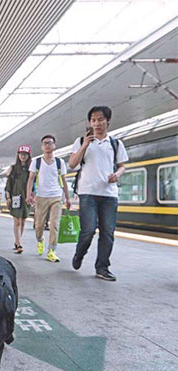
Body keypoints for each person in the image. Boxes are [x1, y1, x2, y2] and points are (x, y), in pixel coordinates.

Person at [69, 106, 128, 281]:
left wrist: (117, 174)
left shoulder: (115, 143)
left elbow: (122, 165)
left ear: (107, 121)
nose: (97, 123)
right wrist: (86, 144)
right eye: (93, 120)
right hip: (87, 192)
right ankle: (79, 254)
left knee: (107, 232)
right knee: (87, 230)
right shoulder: (80, 141)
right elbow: (72, 164)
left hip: (109, 194)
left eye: (100, 119)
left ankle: (102, 267)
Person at [26, 135, 71, 262]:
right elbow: (31, 179)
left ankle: (52, 250)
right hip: (41, 197)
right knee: (39, 225)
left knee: (54, 225)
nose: (47, 145)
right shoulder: (37, 162)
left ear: (54, 145)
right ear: (42, 146)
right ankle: (40, 240)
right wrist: (29, 194)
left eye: (50, 143)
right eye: (45, 143)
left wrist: (67, 198)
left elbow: (63, 180)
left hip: (56, 196)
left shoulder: (59, 162)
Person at [5, 145, 31, 253]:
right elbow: (9, 184)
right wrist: (7, 196)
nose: (23, 156)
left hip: (27, 197)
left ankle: (17, 241)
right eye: (21, 154)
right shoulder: (13, 168)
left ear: (28, 156)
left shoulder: (31, 169)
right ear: (18, 155)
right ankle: (19, 244)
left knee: (23, 221)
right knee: (17, 221)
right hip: (15, 197)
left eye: (25, 154)